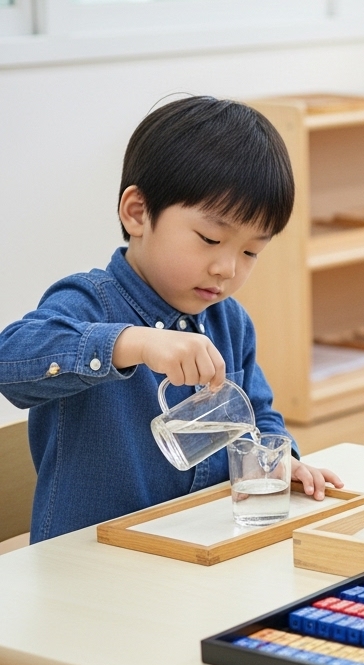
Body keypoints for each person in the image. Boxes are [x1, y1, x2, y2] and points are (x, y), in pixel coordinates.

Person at [0, 96, 342, 542]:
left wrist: (280, 461)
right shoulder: (91, 301)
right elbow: (11, 360)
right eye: (209, 238)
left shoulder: (229, 322)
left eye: (250, 252)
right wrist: (134, 343)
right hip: (93, 566)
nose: (227, 268)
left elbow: (258, 415)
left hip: (198, 548)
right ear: (138, 213)